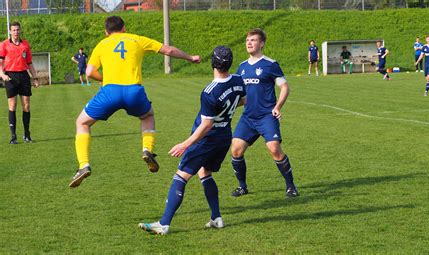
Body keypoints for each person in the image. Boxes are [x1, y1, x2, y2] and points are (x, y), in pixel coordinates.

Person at [69, 16, 201, 188]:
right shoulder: (137, 39)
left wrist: (104, 80)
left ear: (106, 32)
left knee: (82, 122)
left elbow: (89, 71)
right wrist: (190, 57)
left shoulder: (102, 44)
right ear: (124, 28)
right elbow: (168, 50)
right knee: (147, 116)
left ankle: (83, 165)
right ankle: (147, 148)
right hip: (134, 91)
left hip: (110, 92)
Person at [138, 46, 246, 235]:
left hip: (206, 139)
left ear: (213, 63)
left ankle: (164, 224)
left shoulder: (209, 92)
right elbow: (242, 100)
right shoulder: (238, 80)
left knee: (181, 176)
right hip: (224, 136)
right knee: (205, 173)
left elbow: (206, 125)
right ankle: (216, 217)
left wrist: (185, 144)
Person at [231, 28, 298, 198]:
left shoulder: (270, 64)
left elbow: (284, 87)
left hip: (266, 116)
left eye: (253, 40)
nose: (249, 43)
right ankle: (242, 187)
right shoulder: (242, 67)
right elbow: (241, 95)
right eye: (247, 40)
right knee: (236, 150)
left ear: (261, 44)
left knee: (274, 149)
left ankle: (290, 186)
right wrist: (229, 105)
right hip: (248, 117)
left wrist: (277, 107)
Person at [0, 21, 39, 144]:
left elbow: (30, 63)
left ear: (20, 31)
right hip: (10, 76)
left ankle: (27, 135)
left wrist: (35, 78)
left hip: (23, 76)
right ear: (10, 31)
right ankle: (13, 136)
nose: (16, 32)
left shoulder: (25, 45)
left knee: (26, 106)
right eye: (14, 30)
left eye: (17, 30)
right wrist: (2, 74)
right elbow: (0, 63)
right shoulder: (4, 44)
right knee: (12, 106)